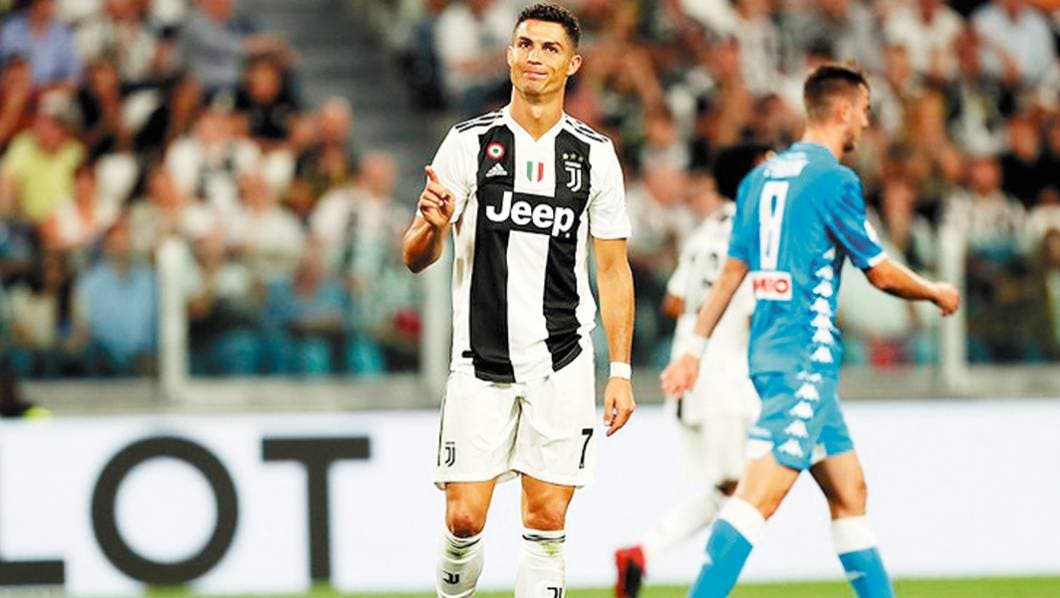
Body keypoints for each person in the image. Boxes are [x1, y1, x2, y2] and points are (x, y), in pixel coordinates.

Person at [660, 64, 961, 598]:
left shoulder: (759, 179)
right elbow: (879, 271)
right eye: (864, 111)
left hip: (770, 354)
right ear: (842, 110)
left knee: (850, 492)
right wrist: (935, 290)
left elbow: (732, 273)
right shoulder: (834, 180)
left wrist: (694, 349)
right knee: (756, 497)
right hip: (804, 357)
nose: (866, 123)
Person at [401, 4, 635, 597]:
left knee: (546, 519)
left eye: (550, 48)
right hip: (480, 360)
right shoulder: (467, 143)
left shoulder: (594, 155)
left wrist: (621, 370)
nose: (535, 57)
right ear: (508, 54)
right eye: (525, 44)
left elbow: (612, 269)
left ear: (573, 64)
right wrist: (433, 227)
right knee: (464, 520)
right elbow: (415, 254)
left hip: (562, 359)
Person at [614, 145, 771, 597]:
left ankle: (642, 553)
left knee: (731, 488)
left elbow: (674, 301)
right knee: (748, 492)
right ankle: (700, 581)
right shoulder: (755, 234)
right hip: (724, 377)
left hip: (690, 372)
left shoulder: (705, 232)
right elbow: (754, 314)